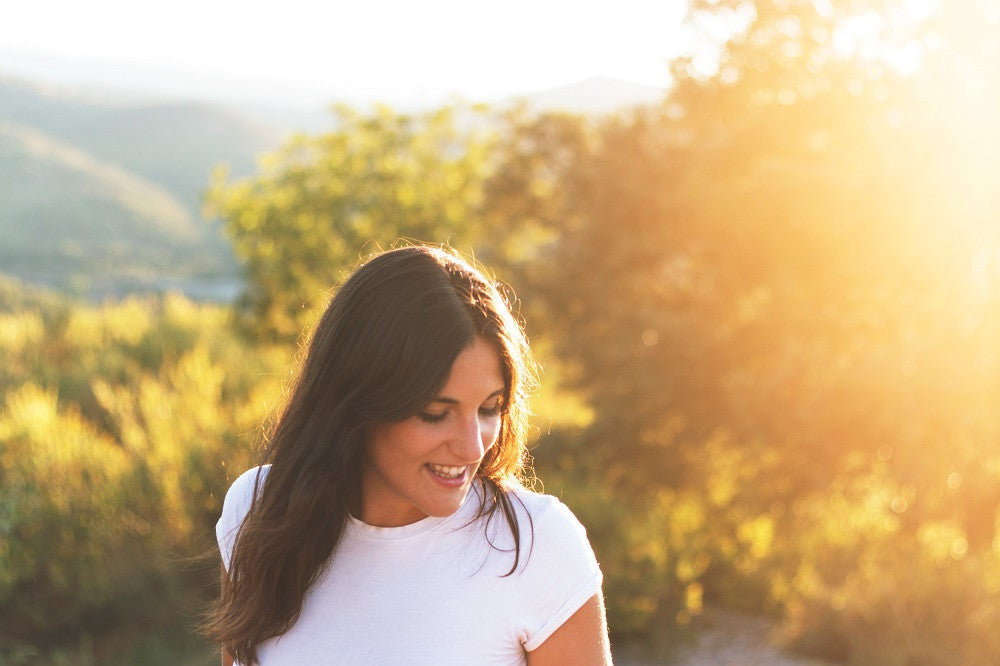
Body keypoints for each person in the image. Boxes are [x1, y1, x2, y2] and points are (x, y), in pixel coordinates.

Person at [204, 245, 611, 665]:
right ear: (356, 401)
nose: (473, 446)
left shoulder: (536, 544)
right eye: (435, 414)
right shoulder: (258, 510)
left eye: (490, 408)